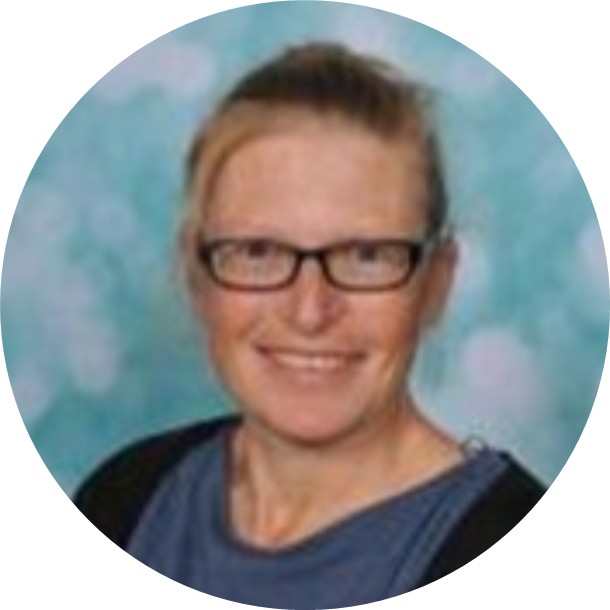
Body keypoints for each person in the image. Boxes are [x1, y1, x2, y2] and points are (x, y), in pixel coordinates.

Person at [75, 43, 545, 607]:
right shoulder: (123, 503)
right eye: (259, 251)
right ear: (197, 275)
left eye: (365, 255)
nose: (309, 311)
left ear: (436, 283)